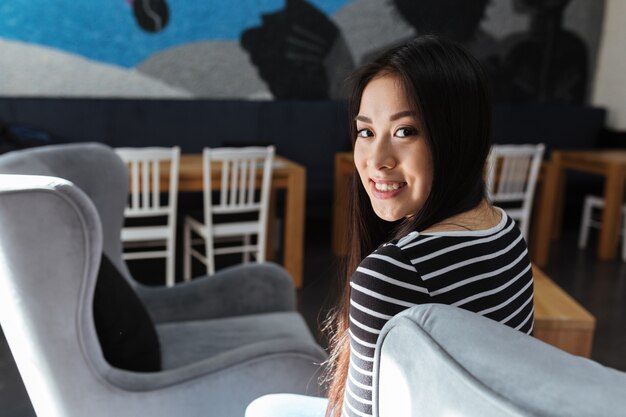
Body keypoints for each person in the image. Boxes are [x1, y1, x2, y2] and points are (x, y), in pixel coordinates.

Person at [246, 34, 534, 417]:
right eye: (366, 132)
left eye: (405, 131)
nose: (376, 160)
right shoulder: (504, 230)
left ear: (457, 138)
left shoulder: (393, 275)